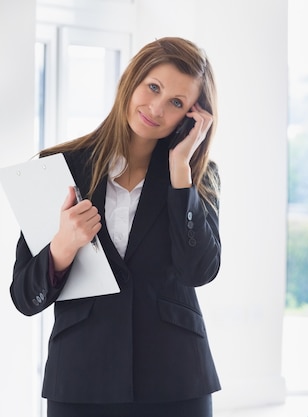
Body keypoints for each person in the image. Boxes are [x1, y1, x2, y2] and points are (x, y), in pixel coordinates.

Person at [10, 37, 221, 417]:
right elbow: (26, 298)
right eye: (153, 87)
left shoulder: (195, 177)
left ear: (192, 117)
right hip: (80, 379)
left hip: (175, 380)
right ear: (131, 79)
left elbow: (198, 271)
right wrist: (63, 246)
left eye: (176, 103)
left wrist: (179, 174)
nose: (156, 108)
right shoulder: (55, 167)